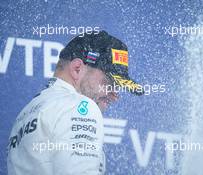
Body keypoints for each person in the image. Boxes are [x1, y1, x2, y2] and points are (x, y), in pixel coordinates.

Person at [7, 30, 144, 175]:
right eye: (109, 82)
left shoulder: (27, 112)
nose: (115, 95)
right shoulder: (79, 106)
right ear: (77, 69)